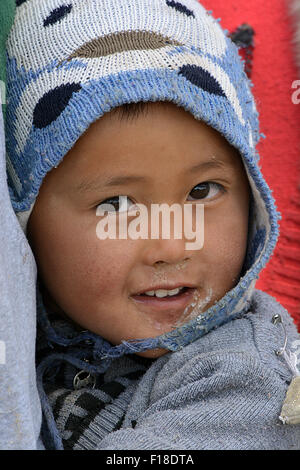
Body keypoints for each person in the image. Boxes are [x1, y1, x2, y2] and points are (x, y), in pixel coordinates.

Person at [4, 0, 300, 450]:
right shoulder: (31, 339)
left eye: (202, 192)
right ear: (26, 223)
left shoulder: (244, 379)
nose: (171, 244)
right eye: (118, 203)